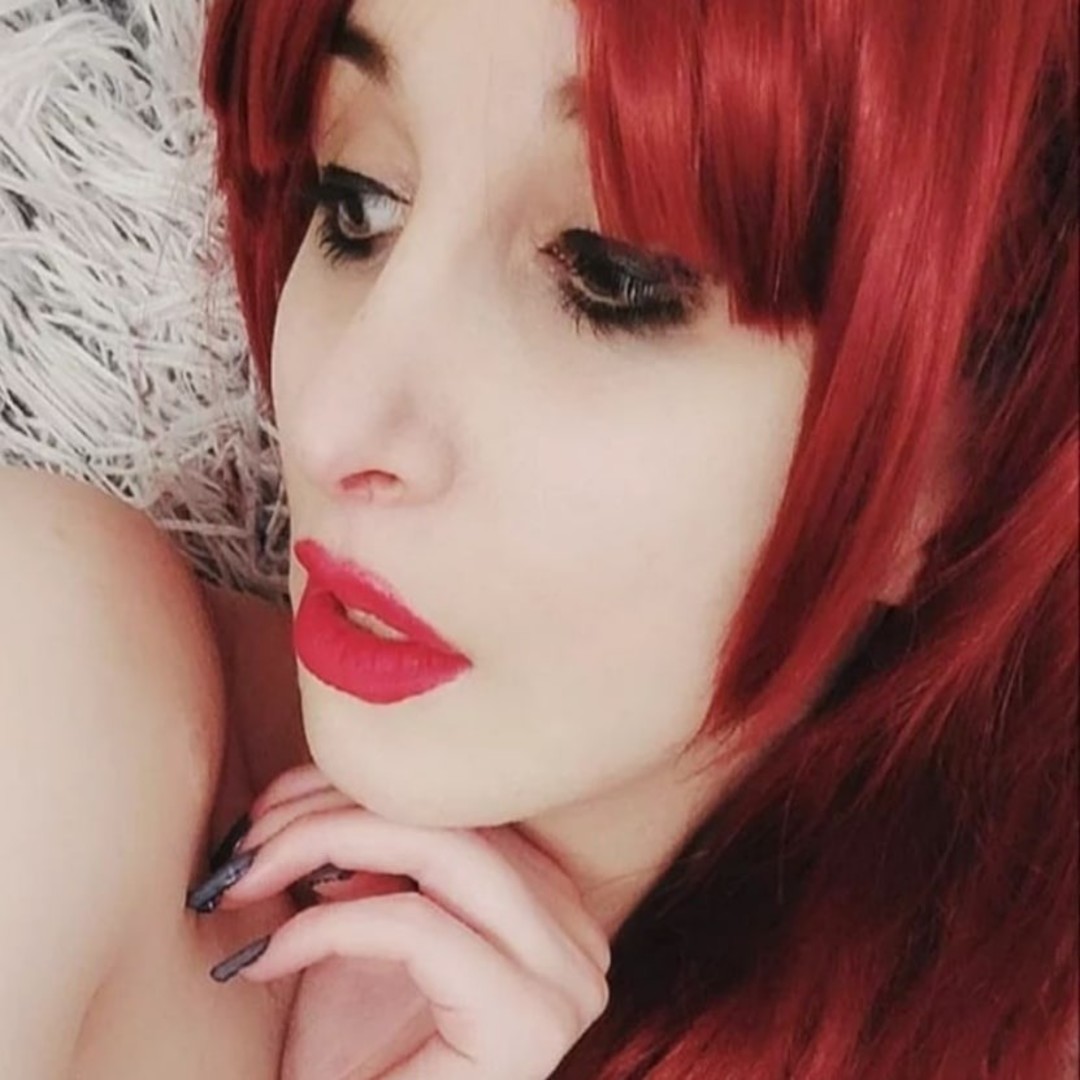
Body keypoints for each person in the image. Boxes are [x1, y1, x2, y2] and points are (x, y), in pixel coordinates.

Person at [1, 0, 1075, 1076]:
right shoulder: (54, 683)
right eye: (358, 201)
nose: (331, 423)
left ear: (957, 476)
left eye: (608, 273)